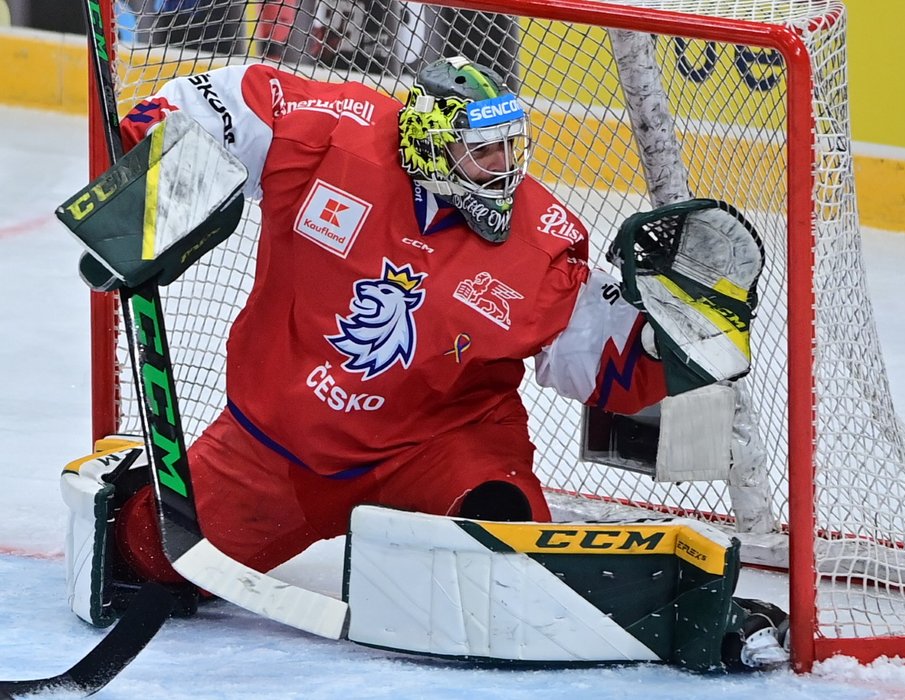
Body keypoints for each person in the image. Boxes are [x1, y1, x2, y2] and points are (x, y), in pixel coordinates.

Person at [62, 55, 785, 668]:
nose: (504, 168)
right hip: (278, 447)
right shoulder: (333, 134)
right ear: (434, 145)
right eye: (484, 150)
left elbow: (597, 365)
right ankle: (126, 499)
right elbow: (226, 101)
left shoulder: (541, 239)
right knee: (146, 559)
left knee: (507, 555)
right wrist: (159, 176)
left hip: (441, 445)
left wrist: (671, 343)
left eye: (511, 147)